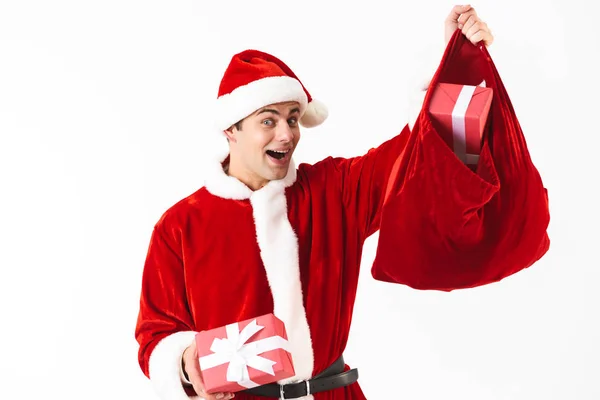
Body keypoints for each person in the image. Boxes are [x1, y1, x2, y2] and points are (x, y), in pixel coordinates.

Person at [135, 5, 495, 400]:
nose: (286, 134)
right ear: (231, 129)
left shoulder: (334, 190)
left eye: (292, 118)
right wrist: (187, 361)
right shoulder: (180, 225)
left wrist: (455, 62)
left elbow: (412, 157)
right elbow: (156, 335)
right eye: (268, 121)